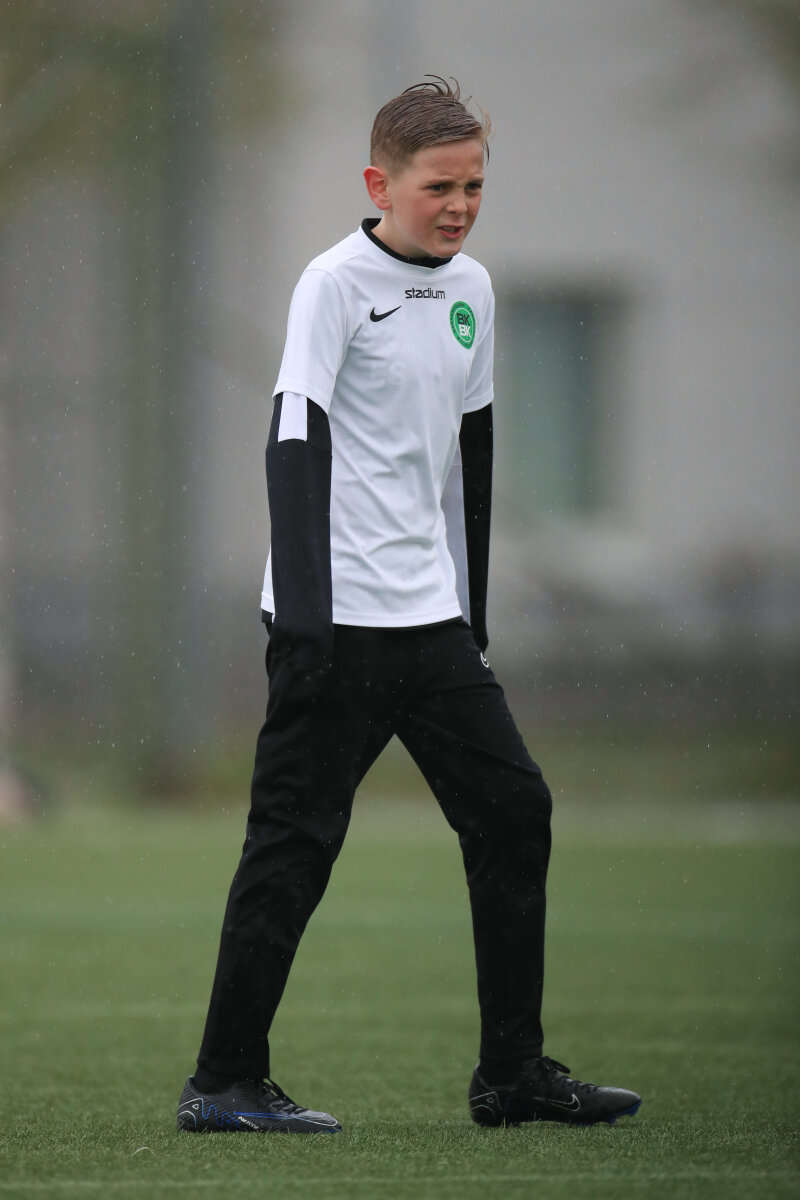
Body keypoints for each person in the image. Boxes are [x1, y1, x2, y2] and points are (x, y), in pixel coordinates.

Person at [176, 77, 641, 1135]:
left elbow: (471, 450)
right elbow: (294, 436)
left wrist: (471, 612)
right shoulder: (332, 284)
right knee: (294, 846)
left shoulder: (474, 288)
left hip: (429, 629)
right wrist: (302, 618)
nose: (460, 205)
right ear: (380, 184)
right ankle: (223, 1083)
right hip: (332, 623)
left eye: (474, 186)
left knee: (514, 812)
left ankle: (510, 1075)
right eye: (440, 186)